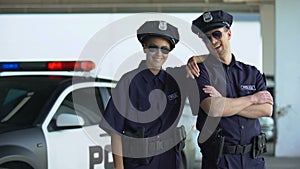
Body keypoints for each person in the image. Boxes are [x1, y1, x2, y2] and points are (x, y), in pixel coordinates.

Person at [100, 20, 194, 169]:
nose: (159, 54)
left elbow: (211, 61)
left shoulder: (176, 80)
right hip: (140, 163)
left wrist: (195, 60)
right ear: (144, 48)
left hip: (171, 161)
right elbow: (115, 131)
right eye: (153, 47)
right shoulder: (128, 81)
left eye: (164, 49)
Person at [188, 10, 274, 169]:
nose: (212, 41)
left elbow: (267, 109)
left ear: (229, 34)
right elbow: (213, 108)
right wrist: (252, 100)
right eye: (206, 38)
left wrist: (225, 103)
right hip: (219, 161)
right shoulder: (201, 72)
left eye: (216, 34)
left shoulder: (252, 73)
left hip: (253, 159)